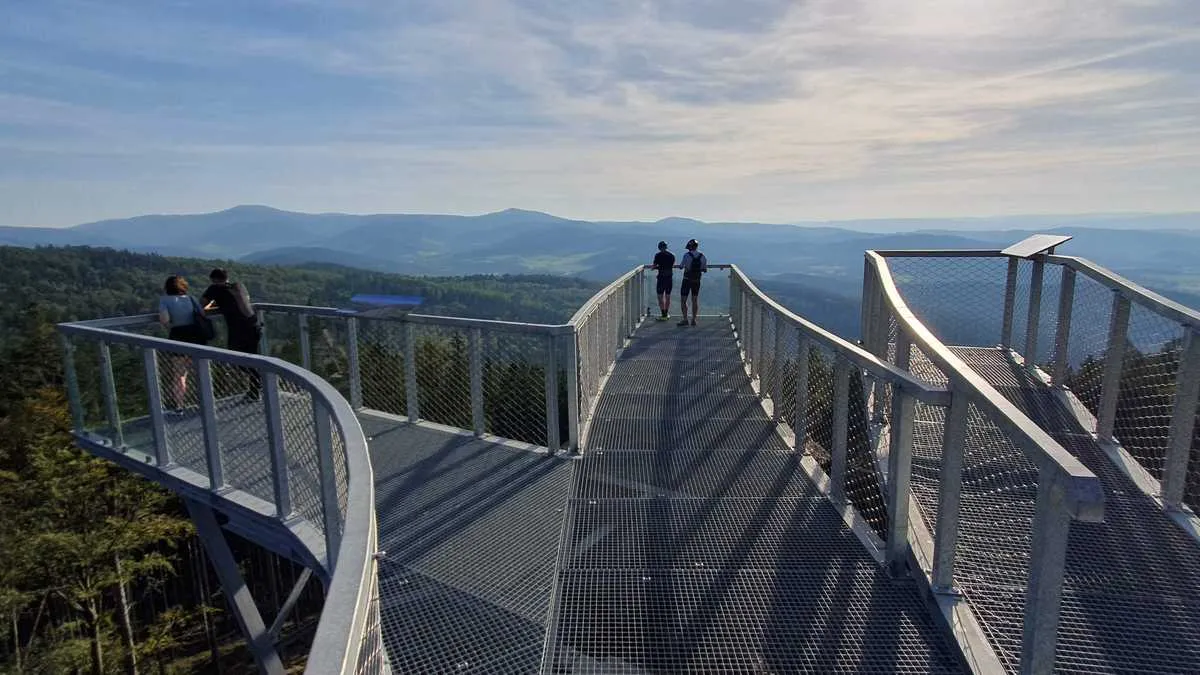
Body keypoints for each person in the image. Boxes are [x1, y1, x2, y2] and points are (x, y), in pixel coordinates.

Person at [202, 268, 263, 400]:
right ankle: (255, 390)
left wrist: (213, 306)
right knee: (252, 358)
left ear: (214, 280)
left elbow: (202, 305)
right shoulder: (239, 286)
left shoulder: (215, 289)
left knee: (235, 358)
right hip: (254, 325)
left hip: (238, 329)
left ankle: (260, 380)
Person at [158, 275, 208, 412]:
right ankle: (205, 403)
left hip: (178, 336)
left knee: (179, 374)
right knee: (201, 371)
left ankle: (179, 406)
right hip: (196, 336)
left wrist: (171, 325)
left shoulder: (164, 300)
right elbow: (202, 314)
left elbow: (164, 319)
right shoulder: (191, 298)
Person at [678, 238, 707, 326]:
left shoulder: (686, 255)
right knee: (694, 300)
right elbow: (704, 269)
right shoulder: (702, 256)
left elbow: (681, 266)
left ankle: (685, 319)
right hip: (697, 280)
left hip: (687, 279)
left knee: (683, 300)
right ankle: (694, 319)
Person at [651, 241, 676, 321]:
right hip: (669, 278)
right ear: (666, 247)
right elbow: (672, 266)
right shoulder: (672, 255)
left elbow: (654, 266)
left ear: (659, 247)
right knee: (668, 296)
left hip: (661, 278)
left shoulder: (658, 255)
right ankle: (666, 313)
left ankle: (663, 314)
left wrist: (656, 267)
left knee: (660, 296)